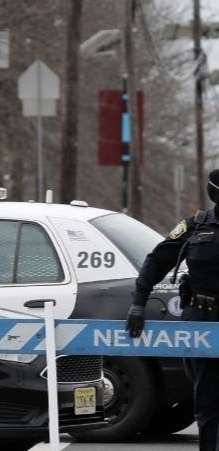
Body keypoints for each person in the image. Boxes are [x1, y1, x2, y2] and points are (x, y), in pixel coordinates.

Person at [126, 168, 219, 451]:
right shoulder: (196, 225)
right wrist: (139, 302)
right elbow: (157, 260)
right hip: (202, 319)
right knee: (207, 399)